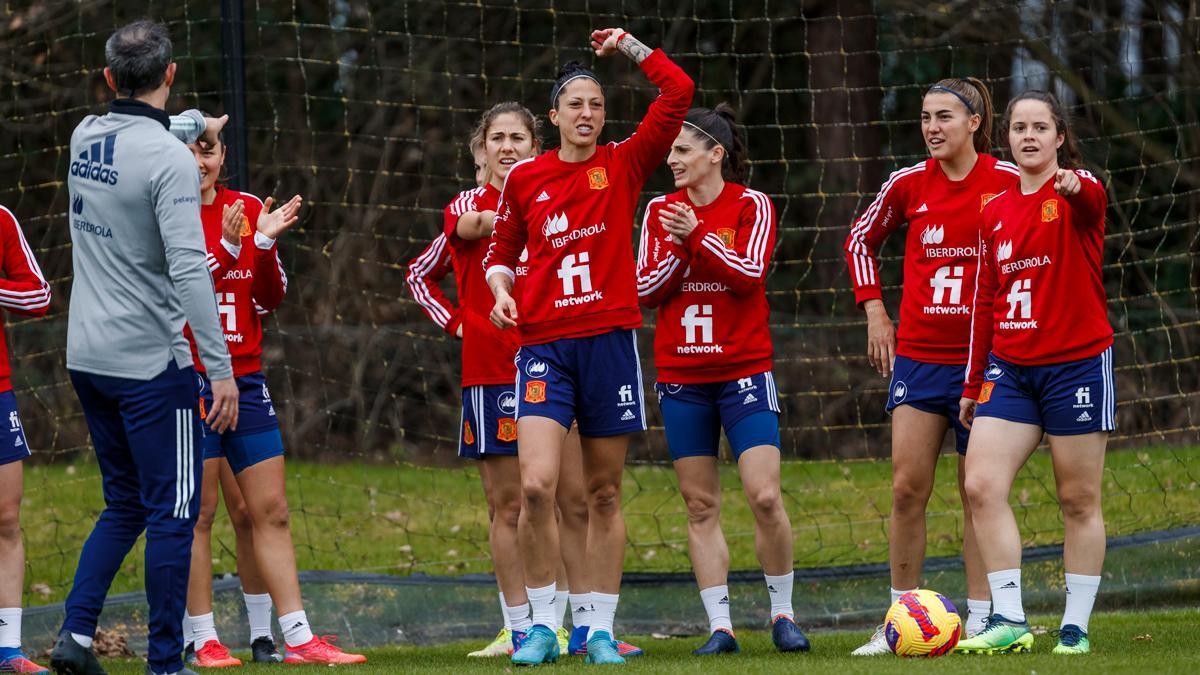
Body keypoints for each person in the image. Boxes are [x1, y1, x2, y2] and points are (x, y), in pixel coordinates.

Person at [484, 27, 693, 666]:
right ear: (554, 116)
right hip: (545, 348)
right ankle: (541, 625)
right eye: (574, 104)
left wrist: (629, 47)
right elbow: (502, 252)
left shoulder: (623, 163)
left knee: (603, 494)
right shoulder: (526, 180)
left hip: (608, 344)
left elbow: (679, 90)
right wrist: (500, 288)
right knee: (539, 486)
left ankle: (597, 628)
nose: (586, 113)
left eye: (596, 105)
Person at [406, 112, 641, 660]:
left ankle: (583, 623)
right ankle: (521, 626)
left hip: (559, 360)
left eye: (519, 139)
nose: (507, 148)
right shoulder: (473, 205)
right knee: (512, 502)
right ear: (478, 152)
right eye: (497, 140)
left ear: (537, 146)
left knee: (575, 497)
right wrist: (460, 320)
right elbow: (425, 269)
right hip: (493, 374)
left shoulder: (553, 192)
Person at [50, 20, 240, 675]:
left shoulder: (83, 136)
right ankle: (167, 662)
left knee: (124, 500)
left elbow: (145, 133)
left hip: (86, 357)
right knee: (174, 513)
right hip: (151, 364)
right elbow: (190, 271)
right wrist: (220, 371)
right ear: (170, 73)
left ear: (108, 78)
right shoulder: (168, 162)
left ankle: (73, 637)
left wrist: (193, 123)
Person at [842, 78, 1019, 655]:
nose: (932, 127)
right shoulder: (909, 183)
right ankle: (898, 618)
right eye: (924, 117)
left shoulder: (1007, 181)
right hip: (919, 360)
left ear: (974, 122)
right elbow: (859, 240)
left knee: (977, 491)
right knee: (905, 489)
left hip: (987, 362)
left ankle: (985, 617)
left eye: (945, 116)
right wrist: (876, 313)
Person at [635, 104, 810, 656]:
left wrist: (698, 238)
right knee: (699, 505)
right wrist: (690, 243)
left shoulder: (752, 205)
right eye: (670, 151)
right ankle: (721, 626)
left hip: (744, 374)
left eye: (682, 150)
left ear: (716, 154)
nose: (672, 160)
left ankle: (783, 614)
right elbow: (645, 289)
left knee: (763, 494)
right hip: (682, 377)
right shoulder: (659, 210)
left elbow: (747, 275)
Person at [956, 90, 1112, 656]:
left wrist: (1075, 184)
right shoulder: (993, 212)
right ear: (1008, 139)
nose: (1028, 136)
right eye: (1019, 127)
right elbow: (984, 304)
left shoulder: (1078, 190)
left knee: (1077, 498)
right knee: (980, 484)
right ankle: (1011, 617)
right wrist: (973, 385)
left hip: (1076, 365)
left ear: (1059, 137)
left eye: (1040, 127)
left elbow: (1091, 195)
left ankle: (1075, 625)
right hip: (1011, 369)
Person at [0, 206, 52, 674]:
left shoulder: (1, 220)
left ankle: (8, 648)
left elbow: (38, 295)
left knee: (7, 518)